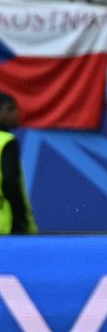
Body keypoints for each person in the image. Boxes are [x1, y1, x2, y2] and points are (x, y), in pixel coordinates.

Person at [0, 93, 36, 235]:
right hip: (7, 226)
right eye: (12, 109)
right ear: (3, 111)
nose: (17, 114)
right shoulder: (7, 141)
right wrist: (21, 221)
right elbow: (10, 183)